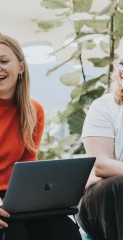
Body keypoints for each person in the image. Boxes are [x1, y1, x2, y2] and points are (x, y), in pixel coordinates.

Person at [0, 33, 82, 240]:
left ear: (20, 67)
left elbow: (28, 165)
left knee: (64, 230)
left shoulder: (33, 110)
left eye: (4, 61)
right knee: (10, 233)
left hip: (15, 200)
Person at [77, 58, 123, 240]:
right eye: (122, 63)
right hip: (101, 203)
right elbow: (101, 165)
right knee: (119, 185)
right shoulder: (104, 107)